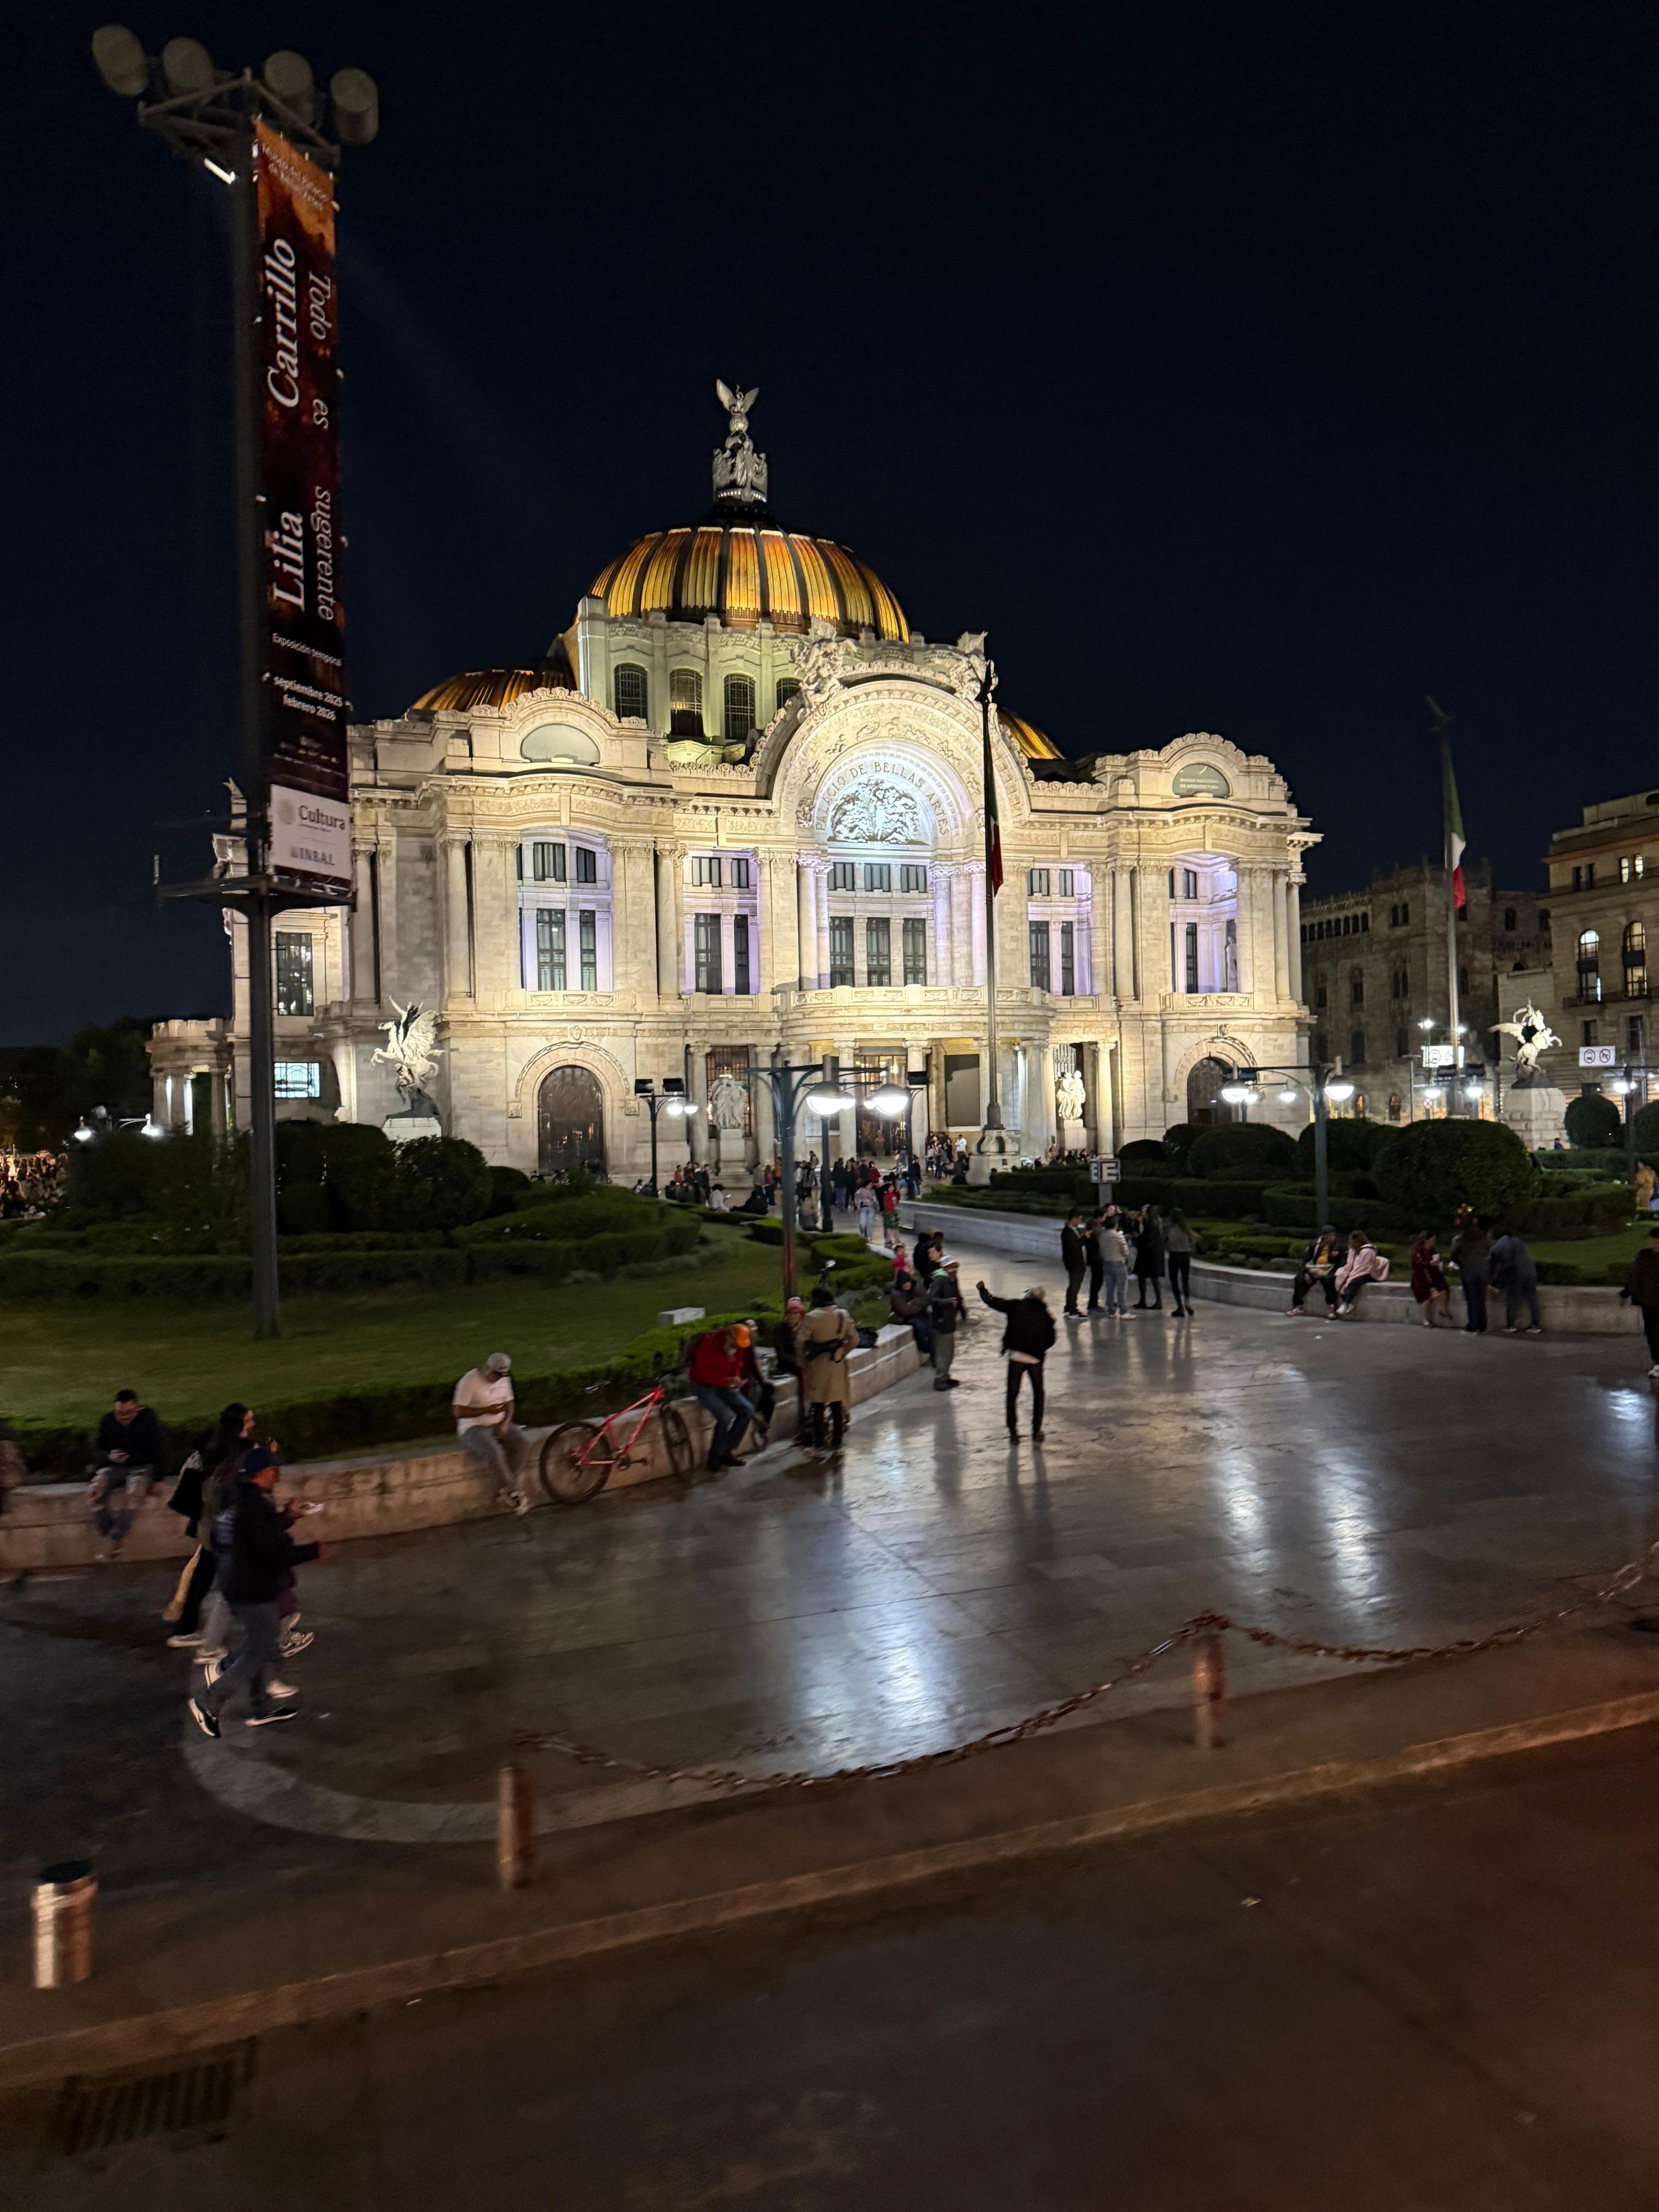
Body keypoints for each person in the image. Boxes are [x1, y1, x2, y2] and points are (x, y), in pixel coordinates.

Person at [188, 1449, 327, 1736]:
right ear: (261, 1473)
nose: (278, 1474)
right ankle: (209, 1701)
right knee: (261, 1648)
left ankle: (260, 1705)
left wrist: (287, 1517)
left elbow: (256, 1536)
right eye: (273, 1470)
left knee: (261, 1642)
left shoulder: (244, 1499)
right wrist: (313, 1551)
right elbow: (272, 1552)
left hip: (239, 1583)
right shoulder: (253, 1504)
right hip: (252, 1587)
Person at [164, 1402, 251, 1647]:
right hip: (224, 1524)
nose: (253, 1423)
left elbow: (188, 1473)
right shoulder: (234, 1451)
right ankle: (263, 1629)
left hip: (208, 1522)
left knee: (205, 1571)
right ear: (239, 1424)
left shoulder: (210, 1444)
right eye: (249, 1420)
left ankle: (186, 1627)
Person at [87, 1389, 166, 1562]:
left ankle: (113, 1539)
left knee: (135, 1492)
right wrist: (110, 1456)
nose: (123, 1417)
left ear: (138, 1409)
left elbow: (159, 1449)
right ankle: (110, 1536)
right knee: (95, 1493)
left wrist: (158, 1479)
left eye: (128, 1413)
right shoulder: (108, 1421)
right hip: (114, 1467)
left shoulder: (148, 1419)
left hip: (140, 1467)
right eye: (119, 1413)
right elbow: (96, 1449)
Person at [452, 1353, 532, 1515]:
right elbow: (458, 1412)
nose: (499, 1378)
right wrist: (487, 1410)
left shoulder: (503, 1380)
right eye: (496, 1374)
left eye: (502, 1375)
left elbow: (510, 1403)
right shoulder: (470, 1381)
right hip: (474, 1427)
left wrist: (506, 1422)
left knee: (523, 1443)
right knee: (495, 1453)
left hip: (499, 1423)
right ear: (487, 1368)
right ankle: (514, 1493)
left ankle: (506, 1491)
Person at [976, 1281, 1056, 1440]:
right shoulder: (1046, 1315)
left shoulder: (1017, 1306)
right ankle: (1037, 1431)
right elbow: (1052, 1339)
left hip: (1017, 1357)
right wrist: (1039, 1348)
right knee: (1039, 1394)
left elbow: (994, 1302)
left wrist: (982, 1290)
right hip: (1036, 1359)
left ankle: (1013, 1432)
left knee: (1013, 1394)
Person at [687, 1326, 754, 1470]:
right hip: (702, 1385)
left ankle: (726, 1450)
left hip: (723, 1384)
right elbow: (702, 1372)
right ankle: (714, 1457)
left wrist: (736, 1377)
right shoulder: (709, 1342)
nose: (736, 1348)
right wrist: (726, 1381)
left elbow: (739, 1363)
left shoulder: (738, 1346)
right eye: (734, 1344)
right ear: (729, 1337)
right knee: (725, 1416)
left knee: (747, 1410)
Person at [798, 1286, 857, 1448]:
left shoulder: (810, 1318)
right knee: (837, 1405)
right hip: (837, 1365)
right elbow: (854, 1340)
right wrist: (842, 1353)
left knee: (818, 1406)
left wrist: (802, 1361)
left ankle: (819, 1444)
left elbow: (800, 1342)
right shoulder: (843, 1315)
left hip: (817, 1367)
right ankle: (837, 1442)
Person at [1620, 1226, 1659, 1376]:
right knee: (1653, 1333)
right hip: (1649, 1303)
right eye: (1655, 1240)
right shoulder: (1644, 1258)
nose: (1656, 1243)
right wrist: (1626, 1293)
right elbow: (1634, 1277)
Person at [771, 1297, 811, 1440]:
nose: (794, 1317)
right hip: (790, 1366)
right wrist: (798, 1362)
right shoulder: (780, 1329)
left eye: (797, 1313)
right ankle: (804, 1421)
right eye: (791, 1313)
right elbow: (781, 1354)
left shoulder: (805, 1328)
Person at [1489, 1228, 1542, 1334]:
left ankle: (1511, 1325)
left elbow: (1494, 1267)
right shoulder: (1518, 1241)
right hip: (1531, 1272)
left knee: (1513, 1300)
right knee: (1532, 1299)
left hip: (1517, 1274)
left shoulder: (1498, 1247)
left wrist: (1494, 1283)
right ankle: (1536, 1325)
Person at [1450, 1216, 1493, 1334]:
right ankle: (1482, 1324)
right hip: (1483, 1271)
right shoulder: (1485, 1238)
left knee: (1471, 1299)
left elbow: (1454, 1255)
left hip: (1468, 1271)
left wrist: (1462, 1264)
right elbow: (1491, 1252)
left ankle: (1473, 1325)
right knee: (1481, 1299)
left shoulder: (1459, 1239)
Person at [1333, 1230, 1390, 1317]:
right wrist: (1345, 1273)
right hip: (1356, 1271)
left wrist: (1351, 1276)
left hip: (1368, 1273)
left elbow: (1364, 1267)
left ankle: (1346, 1303)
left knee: (1354, 1282)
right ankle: (1347, 1303)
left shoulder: (1368, 1251)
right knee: (1340, 1277)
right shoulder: (1353, 1250)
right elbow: (1350, 1264)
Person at [927, 1259, 965, 1387]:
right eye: (951, 1267)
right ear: (945, 1267)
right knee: (943, 1353)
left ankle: (946, 1377)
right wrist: (948, 1302)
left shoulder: (953, 1280)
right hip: (941, 1321)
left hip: (949, 1321)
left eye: (956, 1266)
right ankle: (940, 1380)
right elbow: (933, 1299)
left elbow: (958, 1296)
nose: (954, 1269)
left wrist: (961, 1309)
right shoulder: (940, 1280)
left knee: (950, 1352)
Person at [1288, 1227, 1341, 1316]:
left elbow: (1341, 1260)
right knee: (1300, 1278)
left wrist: (1335, 1257)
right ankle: (1298, 1305)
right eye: (1329, 1236)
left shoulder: (1339, 1245)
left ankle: (1331, 1307)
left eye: (1333, 1236)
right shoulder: (1316, 1244)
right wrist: (1305, 1271)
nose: (1331, 1238)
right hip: (1315, 1268)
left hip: (1330, 1269)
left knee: (1329, 1281)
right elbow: (1307, 1259)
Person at [1408, 1231, 1452, 1327]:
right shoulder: (1418, 1250)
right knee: (1427, 1297)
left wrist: (1438, 1264)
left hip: (1431, 1276)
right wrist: (1430, 1263)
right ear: (1426, 1240)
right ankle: (1426, 1320)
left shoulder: (1431, 1250)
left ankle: (1443, 1310)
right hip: (1420, 1277)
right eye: (1432, 1240)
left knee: (1443, 1290)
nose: (1434, 1242)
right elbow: (1416, 1264)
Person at [890, 1267, 933, 1358]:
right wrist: (920, 1306)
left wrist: (913, 1302)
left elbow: (927, 1300)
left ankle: (933, 1349)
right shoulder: (897, 1295)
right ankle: (925, 1348)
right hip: (908, 1318)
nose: (908, 1285)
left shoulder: (917, 1287)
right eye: (905, 1284)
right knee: (920, 1327)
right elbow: (904, 1311)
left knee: (931, 1325)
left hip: (921, 1314)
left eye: (909, 1282)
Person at [1165, 1210, 1196, 1319]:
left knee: (1174, 1281)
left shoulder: (1169, 1229)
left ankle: (1180, 1307)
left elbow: (1165, 1242)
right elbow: (1193, 1241)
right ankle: (1187, 1302)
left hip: (1174, 1256)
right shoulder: (1186, 1229)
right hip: (1185, 1256)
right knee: (1185, 1280)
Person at [1132, 1206, 1164, 1310]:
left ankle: (1144, 1301)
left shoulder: (1150, 1224)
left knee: (1143, 1277)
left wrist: (1137, 1239)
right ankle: (1157, 1301)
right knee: (1154, 1278)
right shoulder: (1157, 1223)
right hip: (1155, 1254)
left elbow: (1147, 1239)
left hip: (1147, 1255)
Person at [1097, 1213, 1130, 1315]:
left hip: (1107, 1264)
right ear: (1115, 1225)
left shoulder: (1102, 1237)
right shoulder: (1119, 1237)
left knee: (1110, 1288)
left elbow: (1102, 1251)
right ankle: (1123, 1311)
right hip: (1119, 1263)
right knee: (1121, 1289)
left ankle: (1111, 1309)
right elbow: (1125, 1252)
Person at [1060, 1211, 1088, 1317]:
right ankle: (1073, 1310)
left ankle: (1069, 1307)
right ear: (1074, 1219)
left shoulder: (1075, 1230)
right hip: (1074, 1263)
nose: (1080, 1221)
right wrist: (1085, 1238)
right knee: (1074, 1286)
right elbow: (1075, 1246)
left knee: (1073, 1285)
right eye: (1079, 1219)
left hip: (1078, 1262)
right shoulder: (1067, 1233)